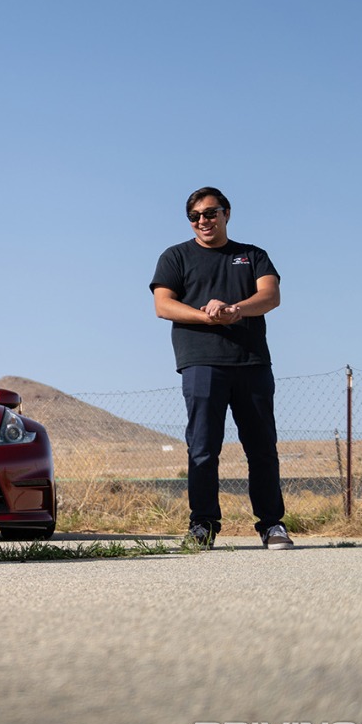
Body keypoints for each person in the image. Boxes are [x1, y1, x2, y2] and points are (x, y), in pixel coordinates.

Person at [151, 187, 292, 551]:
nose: (203, 221)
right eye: (195, 216)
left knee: (262, 448)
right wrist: (207, 317)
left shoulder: (253, 255)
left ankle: (272, 524)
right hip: (200, 363)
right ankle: (203, 525)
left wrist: (235, 310)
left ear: (226, 214)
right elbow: (163, 305)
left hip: (251, 363)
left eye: (210, 213)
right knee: (202, 449)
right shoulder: (175, 256)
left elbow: (271, 296)